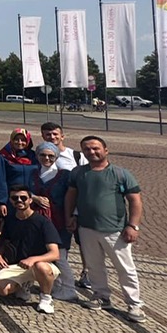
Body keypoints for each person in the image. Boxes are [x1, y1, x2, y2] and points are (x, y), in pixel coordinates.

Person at [65, 136, 146, 322]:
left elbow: (135, 200)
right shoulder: (78, 173)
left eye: (95, 148)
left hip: (115, 229)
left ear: (106, 150)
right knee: (94, 266)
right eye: (87, 149)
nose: (91, 152)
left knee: (125, 268)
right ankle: (101, 296)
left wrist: (133, 225)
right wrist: (69, 216)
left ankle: (134, 304)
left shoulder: (120, 173)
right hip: (86, 227)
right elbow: (71, 196)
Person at [0, 187, 60, 314]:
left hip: (38, 265)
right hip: (16, 265)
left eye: (23, 198)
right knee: (1, 289)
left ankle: (46, 298)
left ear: (30, 200)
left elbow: (55, 253)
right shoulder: (10, 220)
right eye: (15, 198)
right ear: (10, 200)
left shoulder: (43, 222)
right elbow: (4, 241)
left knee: (41, 266)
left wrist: (33, 259)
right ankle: (23, 284)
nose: (19, 200)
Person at [31, 142, 77, 300]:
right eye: (43, 155)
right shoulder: (33, 173)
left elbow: (72, 197)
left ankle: (69, 287)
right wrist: (33, 197)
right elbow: (21, 191)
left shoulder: (65, 175)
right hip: (38, 221)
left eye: (51, 156)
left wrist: (72, 217)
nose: (47, 158)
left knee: (60, 255)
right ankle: (54, 285)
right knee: (41, 252)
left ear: (57, 157)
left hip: (59, 221)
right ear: (37, 156)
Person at [0, 128, 37, 217]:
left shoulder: (34, 156)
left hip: (32, 199)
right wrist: (1, 202)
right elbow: (0, 180)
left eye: (23, 140)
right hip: (13, 199)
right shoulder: (4, 156)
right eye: (16, 139)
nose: (19, 142)